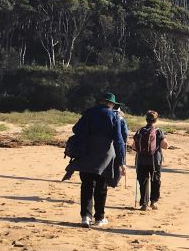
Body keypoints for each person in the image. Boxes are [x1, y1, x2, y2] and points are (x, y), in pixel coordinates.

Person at [65, 92, 127, 228]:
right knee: (101, 187)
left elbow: (76, 129)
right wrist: (122, 161)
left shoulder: (88, 113)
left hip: (86, 152)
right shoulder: (115, 116)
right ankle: (99, 218)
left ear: (100, 102)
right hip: (105, 155)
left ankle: (85, 217)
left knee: (86, 185)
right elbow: (119, 140)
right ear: (111, 104)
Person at [133, 110, 169, 210]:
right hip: (154, 160)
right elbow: (164, 145)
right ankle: (153, 202)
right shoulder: (158, 131)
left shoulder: (140, 130)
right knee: (155, 180)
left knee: (143, 181)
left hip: (141, 160)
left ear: (146, 119)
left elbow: (134, 146)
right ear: (156, 120)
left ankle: (144, 203)